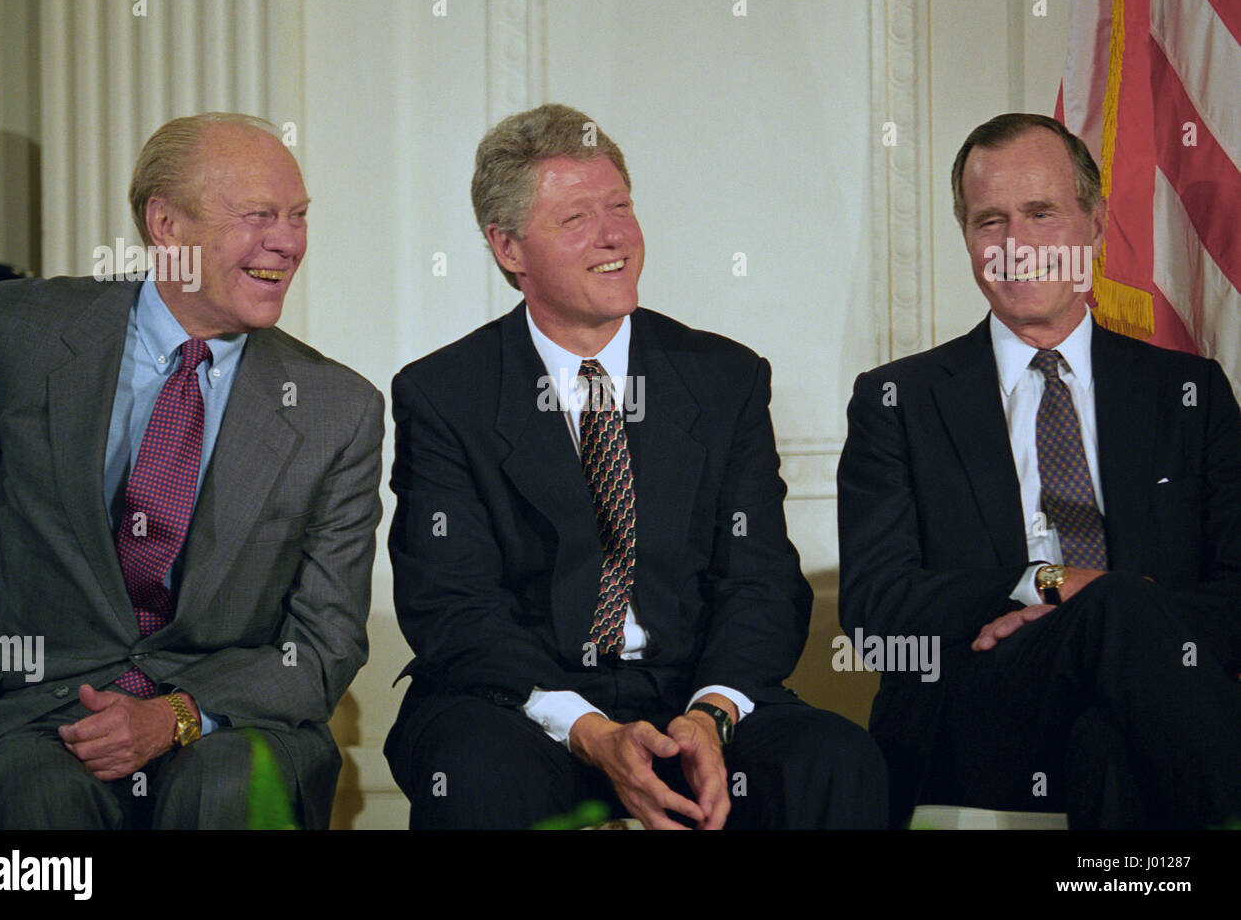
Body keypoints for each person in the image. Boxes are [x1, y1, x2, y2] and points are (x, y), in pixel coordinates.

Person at [384, 103, 886, 830]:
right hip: (520, 704)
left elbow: (761, 581)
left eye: (619, 205)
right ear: (508, 248)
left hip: (690, 690)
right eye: (577, 219)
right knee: (476, 774)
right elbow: (452, 605)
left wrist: (710, 715)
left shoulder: (722, 378)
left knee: (834, 759)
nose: (614, 235)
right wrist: (589, 729)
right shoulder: (445, 394)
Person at [0, 113, 384, 829]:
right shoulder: (20, 330)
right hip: (39, 705)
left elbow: (325, 644)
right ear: (168, 225)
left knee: (226, 788)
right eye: (259, 216)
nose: (289, 242)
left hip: (231, 722)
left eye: (298, 217)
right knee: (37, 799)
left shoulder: (339, 409)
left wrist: (176, 715)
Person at [837, 112, 1241, 828]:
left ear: (1093, 224)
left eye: (1041, 214)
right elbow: (873, 613)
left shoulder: (1189, 393)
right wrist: (1049, 584)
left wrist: (1119, 632)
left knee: (1108, 737)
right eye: (990, 222)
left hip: (1144, 704)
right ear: (966, 238)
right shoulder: (898, 399)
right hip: (975, 704)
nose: (1016, 246)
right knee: (1111, 602)